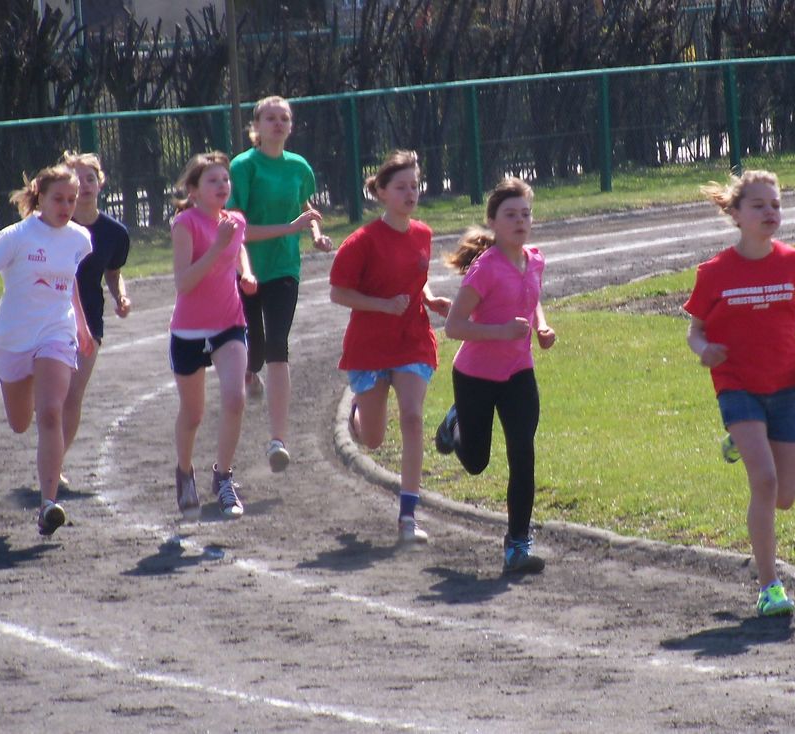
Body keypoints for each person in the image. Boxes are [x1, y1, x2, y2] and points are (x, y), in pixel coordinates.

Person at [683, 170, 795, 617]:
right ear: (737, 215)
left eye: (775, 205)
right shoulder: (714, 273)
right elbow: (695, 331)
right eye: (759, 205)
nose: (770, 212)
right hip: (737, 386)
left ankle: (743, 443)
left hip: (785, 387)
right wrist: (704, 350)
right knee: (764, 481)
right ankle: (769, 587)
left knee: (785, 496)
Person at [169, 152, 320, 521]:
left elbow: (239, 251)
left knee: (235, 399)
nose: (223, 186)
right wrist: (218, 247)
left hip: (229, 323)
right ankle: (184, 472)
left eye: (225, 180)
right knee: (193, 414)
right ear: (193, 190)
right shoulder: (185, 224)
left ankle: (223, 477)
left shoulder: (234, 220)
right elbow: (184, 283)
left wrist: (246, 273)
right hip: (189, 329)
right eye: (213, 181)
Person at [0, 165, 95, 536]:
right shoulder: (17, 236)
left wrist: (81, 325)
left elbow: (68, 282)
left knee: (51, 412)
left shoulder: (79, 238)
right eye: (58, 199)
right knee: (20, 423)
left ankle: (48, 504)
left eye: (71, 200)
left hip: (56, 333)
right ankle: (33, 377)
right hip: (14, 337)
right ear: (40, 196)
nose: (66, 206)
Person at [435, 177, 556, 574]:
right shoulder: (484, 269)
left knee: (523, 453)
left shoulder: (535, 259)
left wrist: (541, 326)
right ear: (492, 221)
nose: (520, 221)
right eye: (511, 215)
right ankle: (454, 423)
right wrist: (502, 332)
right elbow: (454, 326)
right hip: (475, 376)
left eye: (526, 214)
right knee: (476, 462)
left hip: (519, 372)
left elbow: (532, 299)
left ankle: (517, 545)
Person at [329, 149, 450, 544]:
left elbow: (417, 279)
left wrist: (430, 299)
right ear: (381, 191)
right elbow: (338, 293)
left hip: (412, 340)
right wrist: (382, 305)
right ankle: (356, 416)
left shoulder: (423, 234)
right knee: (374, 439)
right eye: (401, 187)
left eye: (415, 186)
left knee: (413, 419)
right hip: (369, 346)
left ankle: (407, 517)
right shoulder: (361, 242)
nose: (410, 193)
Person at [229, 96, 332, 473]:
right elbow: (237, 230)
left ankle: (278, 440)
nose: (277, 124)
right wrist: (290, 228)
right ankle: (248, 371)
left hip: (285, 268)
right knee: (253, 351)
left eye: (284, 118)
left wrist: (315, 234)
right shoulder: (243, 166)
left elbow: (305, 207)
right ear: (256, 126)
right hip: (245, 270)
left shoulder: (299, 167)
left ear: (291, 126)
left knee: (277, 345)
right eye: (270, 118)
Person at [56, 151, 132, 493]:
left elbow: (113, 273)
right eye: (78, 179)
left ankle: (54, 464)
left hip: (89, 318)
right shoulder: (55, 225)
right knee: (49, 396)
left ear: (101, 183)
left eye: (90, 178)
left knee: (72, 394)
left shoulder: (115, 233)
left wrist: (120, 297)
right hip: (49, 316)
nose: (85, 185)